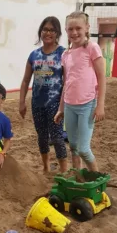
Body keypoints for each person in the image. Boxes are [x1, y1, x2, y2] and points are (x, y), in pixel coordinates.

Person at [54, 11, 106, 172]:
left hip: (87, 105)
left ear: (87, 28)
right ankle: (79, 178)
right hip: (69, 105)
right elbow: (66, 82)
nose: (74, 32)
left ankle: (96, 178)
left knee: (83, 149)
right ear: (66, 30)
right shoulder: (66, 54)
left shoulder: (92, 48)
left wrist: (100, 105)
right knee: (74, 147)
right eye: (70, 29)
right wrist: (61, 108)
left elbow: (102, 77)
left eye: (78, 28)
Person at [19, 16, 67, 174]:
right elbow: (26, 80)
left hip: (56, 103)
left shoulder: (63, 53)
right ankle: (46, 167)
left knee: (58, 137)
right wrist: (22, 102)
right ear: (40, 32)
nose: (48, 33)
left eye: (52, 30)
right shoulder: (34, 55)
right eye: (45, 29)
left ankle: (63, 170)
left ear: (57, 33)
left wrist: (64, 104)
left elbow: (67, 81)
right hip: (37, 103)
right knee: (42, 136)